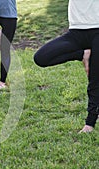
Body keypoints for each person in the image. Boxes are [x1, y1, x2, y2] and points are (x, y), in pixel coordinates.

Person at [34, 0, 99, 133]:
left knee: (95, 79)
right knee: (41, 57)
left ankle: (90, 123)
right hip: (76, 31)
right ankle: (83, 54)